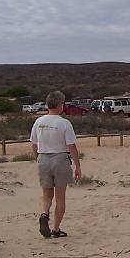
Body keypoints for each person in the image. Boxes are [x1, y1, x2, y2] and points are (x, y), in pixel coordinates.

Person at [30, 91, 81, 238]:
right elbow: (71, 146)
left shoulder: (38, 122)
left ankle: (44, 213)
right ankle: (56, 229)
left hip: (43, 159)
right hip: (60, 159)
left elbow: (34, 144)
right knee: (60, 197)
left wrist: (37, 159)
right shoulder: (64, 123)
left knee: (46, 195)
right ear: (60, 105)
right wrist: (77, 165)